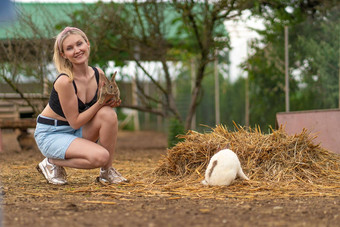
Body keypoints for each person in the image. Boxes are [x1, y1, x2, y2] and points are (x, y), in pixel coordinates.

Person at [34, 26, 127, 185]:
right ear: (64, 55)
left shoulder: (98, 74)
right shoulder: (65, 81)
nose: (76, 50)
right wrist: (100, 103)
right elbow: (75, 121)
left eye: (79, 44)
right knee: (100, 157)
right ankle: (51, 162)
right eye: (69, 48)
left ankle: (106, 172)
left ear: (88, 44)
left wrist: (111, 102)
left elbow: (101, 108)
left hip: (74, 131)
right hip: (52, 134)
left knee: (108, 114)